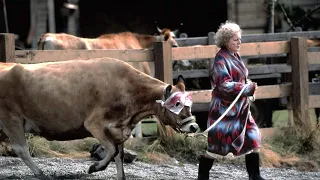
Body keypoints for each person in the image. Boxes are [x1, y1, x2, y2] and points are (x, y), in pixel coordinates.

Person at [197, 21, 266, 180]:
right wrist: (246, 88)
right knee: (215, 148)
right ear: (225, 41)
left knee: (253, 138)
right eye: (235, 40)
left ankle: (255, 176)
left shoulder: (235, 55)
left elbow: (240, 77)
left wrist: (248, 85)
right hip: (225, 110)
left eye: (239, 39)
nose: (239, 42)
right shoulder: (220, 59)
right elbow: (223, 85)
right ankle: (202, 176)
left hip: (241, 109)